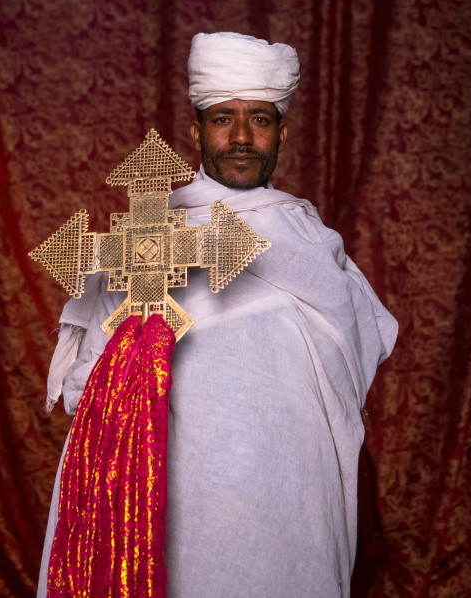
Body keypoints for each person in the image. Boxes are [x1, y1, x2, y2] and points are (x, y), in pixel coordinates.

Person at [38, 32, 398, 598]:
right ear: (196, 131)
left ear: (282, 131)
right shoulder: (146, 240)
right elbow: (86, 393)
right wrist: (137, 366)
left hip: (289, 509)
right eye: (222, 119)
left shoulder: (315, 247)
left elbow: (349, 372)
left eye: (258, 119)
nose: (239, 138)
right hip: (167, 511)